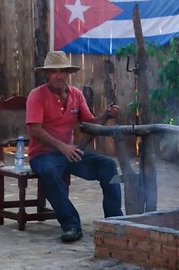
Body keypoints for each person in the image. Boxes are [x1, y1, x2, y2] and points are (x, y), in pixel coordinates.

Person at [26, 51, 123, 243]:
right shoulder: (36, 95)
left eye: (63, 71)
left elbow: (90, 123)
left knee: (108, 166)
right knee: (50, 172)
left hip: (68, 153)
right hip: (42, 155)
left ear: (68, 73)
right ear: (46, 74)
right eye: (54, 72)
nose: (59, 75)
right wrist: (62, 147)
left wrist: (106, 115)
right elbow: (35, 130)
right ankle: (71, 224)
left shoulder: (76, 95)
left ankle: (115, 220)